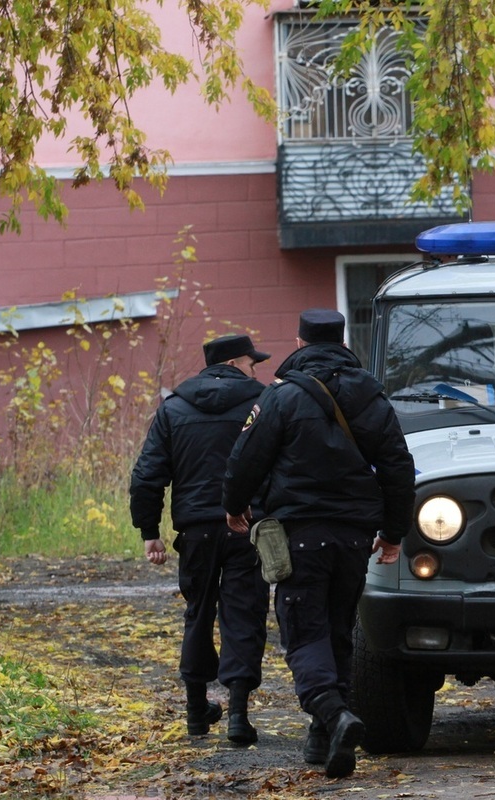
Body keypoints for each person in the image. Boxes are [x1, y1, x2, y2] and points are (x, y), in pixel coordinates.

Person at [221, 309, 416, 779]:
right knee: (337, 631)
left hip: (298, 534)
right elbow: (397, 465)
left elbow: (247, 456)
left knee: (303, 634)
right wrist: (393, 533)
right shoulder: (370, 394)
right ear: (342, 339)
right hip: (354, 538)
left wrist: (234, 506)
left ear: (300, 341)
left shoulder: (282, 397)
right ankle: (322, 739)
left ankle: (334, 715)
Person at [129, 333, 272, 744]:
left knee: (199, 611)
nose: (255, 369)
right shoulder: (261, 403)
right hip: (247, 526)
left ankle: (196, 711)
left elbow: (147, 476)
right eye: (251, 362)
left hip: (195, 531)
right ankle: (238, 715)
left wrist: (149, 532)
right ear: (232, 364)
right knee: (243, 614)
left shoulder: (174, 408)